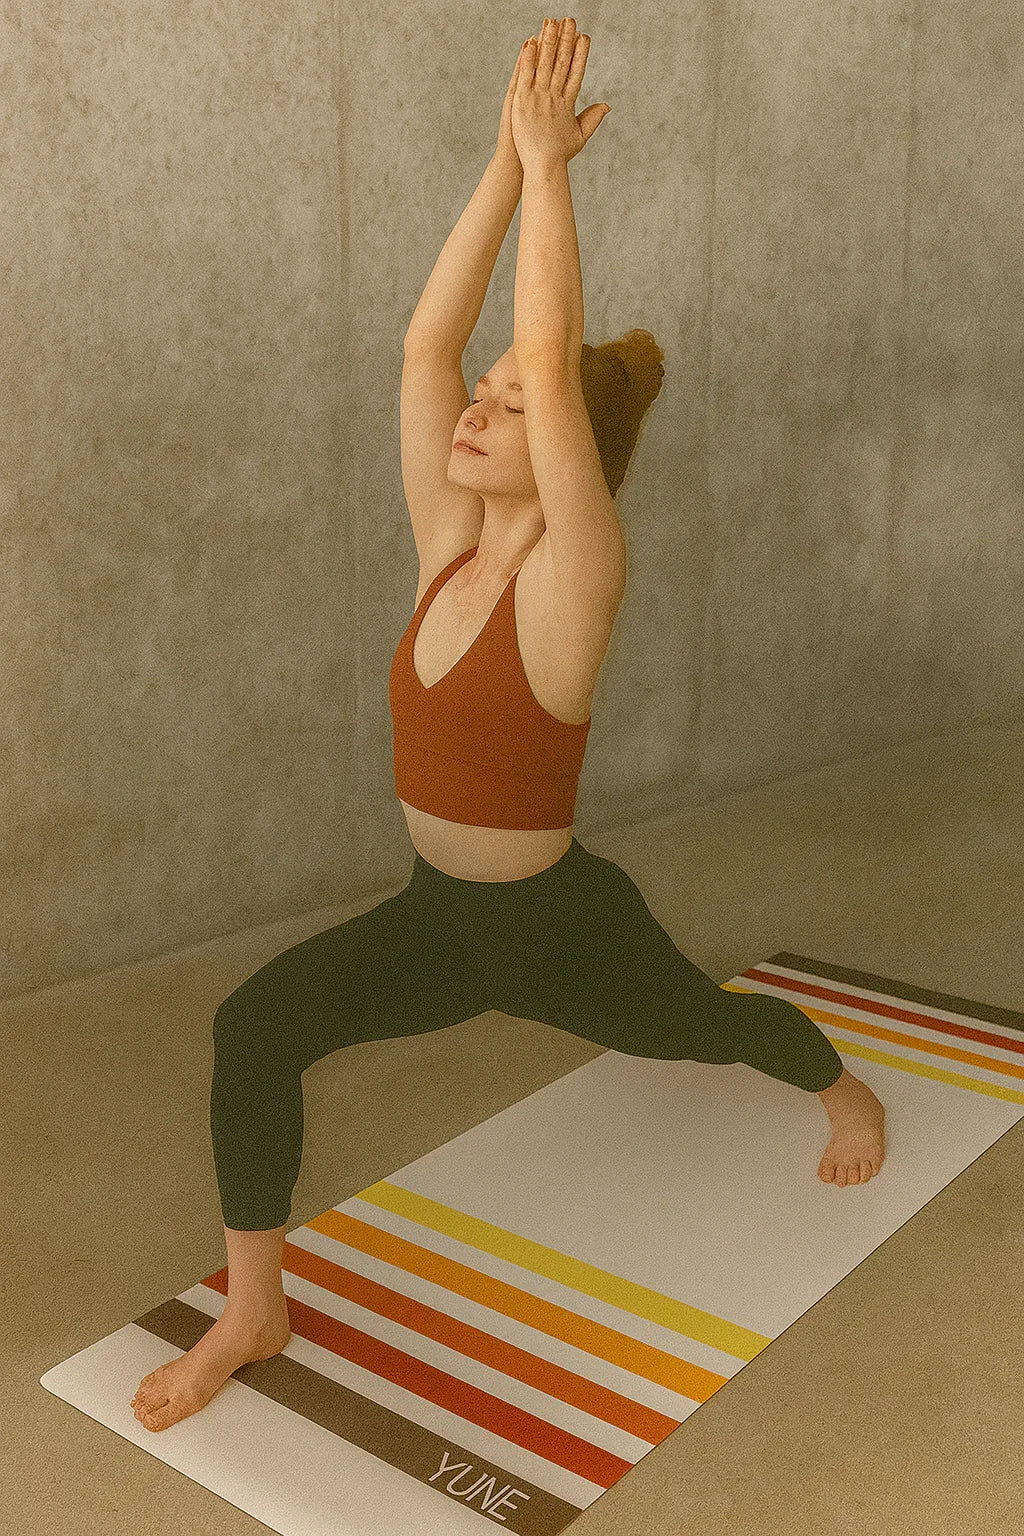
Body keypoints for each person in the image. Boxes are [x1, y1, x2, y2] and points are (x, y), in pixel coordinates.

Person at [131, 16, 885, 1435]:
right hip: (435, 919)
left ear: (573, 457)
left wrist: (557, 178)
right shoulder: (445, 553)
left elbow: (540, 333)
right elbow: (429, 339)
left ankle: (842, 1089)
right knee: (254, 1030)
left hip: (559, 927)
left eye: (509, 405)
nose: (478, 404)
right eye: (482, 400)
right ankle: (254, 1305)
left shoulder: (576, 574)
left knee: (705, 1033)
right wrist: (500, 163)